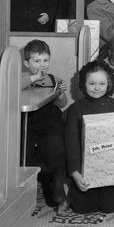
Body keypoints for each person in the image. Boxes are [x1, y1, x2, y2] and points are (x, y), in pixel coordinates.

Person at [65, 60, 114, 214]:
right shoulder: (75, 109)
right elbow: (71, 144)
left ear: (109, 84)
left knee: (113, 206)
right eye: (92, 83)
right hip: (85, 171)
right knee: (83, 208)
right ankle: (69, 184)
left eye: (102, 84)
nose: (97, 88)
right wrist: (75, 174)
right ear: (84, 84)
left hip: (111, 171)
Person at [20, 39, 68, 208]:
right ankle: (31, 183)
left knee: (56, 144)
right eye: (37, 61)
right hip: (28, 122)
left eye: (45, 61)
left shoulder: (54, 79)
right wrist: (33, 77)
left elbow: (62, 104)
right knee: (23, 152)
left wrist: (60, 94)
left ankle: (55, 181)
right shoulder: (23, 78)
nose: (42, 65)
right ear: (27, 63)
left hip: (50, 121)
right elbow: (15, 87)